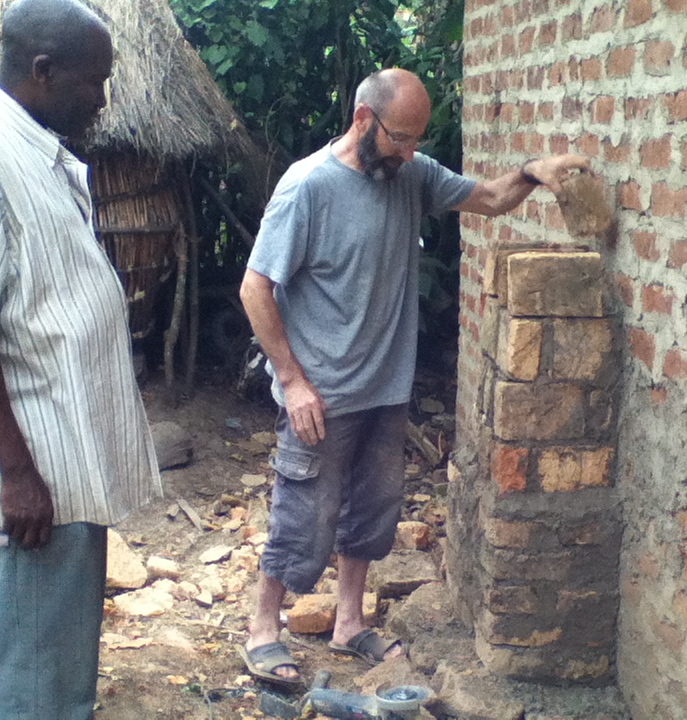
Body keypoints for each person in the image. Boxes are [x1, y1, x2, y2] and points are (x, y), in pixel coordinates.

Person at [238, 67, 588, 685]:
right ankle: (264, 628)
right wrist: (292, 381)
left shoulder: (411, 175)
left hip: (385, 389)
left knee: (372, 513)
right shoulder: (308, 187)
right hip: (322, 393)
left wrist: (536, 171)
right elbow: (255, 288)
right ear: (363, 121)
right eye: (400, 137)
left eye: (417, 139)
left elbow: (491, 198)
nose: (410, 151)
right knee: (304, 514)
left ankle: (348, 622)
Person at [0, 1, 161, 717]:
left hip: (64, 459)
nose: (102, 99)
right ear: (43, 71)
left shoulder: (33, 149)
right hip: (33, 475)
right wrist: (19, 472)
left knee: (54, 660)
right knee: (36, 673)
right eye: (95, 81)